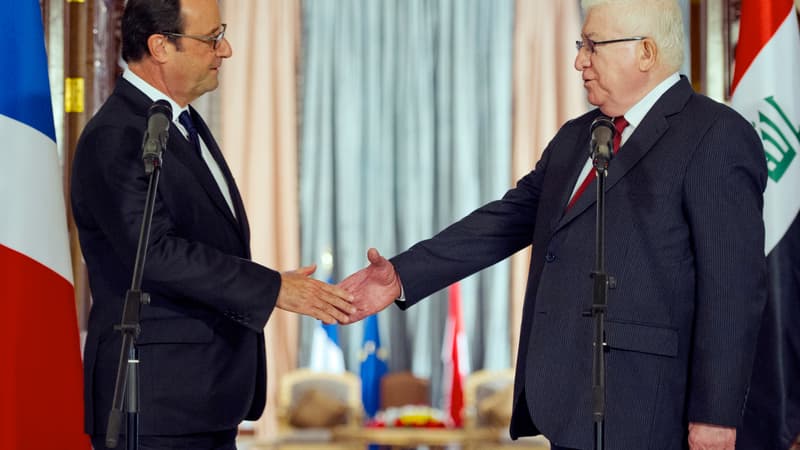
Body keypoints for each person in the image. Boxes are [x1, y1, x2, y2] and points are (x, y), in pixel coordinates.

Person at [339, 0, 767, 449]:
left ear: (646, 52)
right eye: (581, 45)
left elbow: (732, 290)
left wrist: (715, 415)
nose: (579, 60)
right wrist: (402, 275)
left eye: (593, 46)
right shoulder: (577, 137)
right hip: (572, 406)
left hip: (655, 408)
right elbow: (505, 220)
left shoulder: (716, 134)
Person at [70, 0, 354, 448]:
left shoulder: (179, 123)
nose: (226, 51)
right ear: (161, 46)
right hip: (156, 402)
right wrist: (272, 287)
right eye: (211, 39)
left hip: (203, 398)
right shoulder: (118, 134)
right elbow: (154, 253)